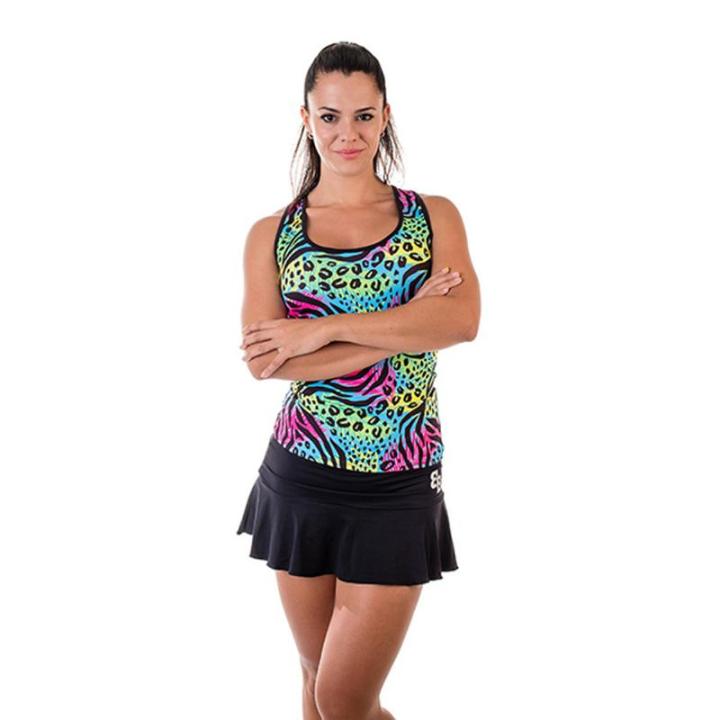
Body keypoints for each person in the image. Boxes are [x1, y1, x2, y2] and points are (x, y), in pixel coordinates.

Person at [237, 41, 481, 720]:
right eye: (330, 116)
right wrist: (406, 323)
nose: (348, 133)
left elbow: (460, 323)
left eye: (364, 116)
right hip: (300, 473)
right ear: (306, 118)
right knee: (316, 683)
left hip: (399, 482)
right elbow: (266, 361)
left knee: (344, 700)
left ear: (385, 116)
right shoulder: (272, 235)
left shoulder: (432, 215)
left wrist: (318, 331)